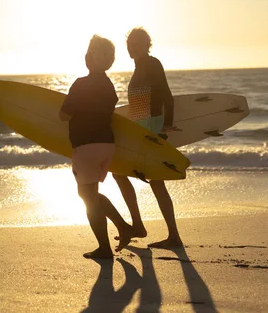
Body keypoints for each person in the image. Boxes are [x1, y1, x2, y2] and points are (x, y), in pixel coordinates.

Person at [59, 35, 134, 259]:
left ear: (88, 58)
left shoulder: (81, 84)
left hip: (85, 145)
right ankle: (123, 227)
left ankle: (105, 248)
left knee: (87, 195)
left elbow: (63, 115)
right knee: (91, 193)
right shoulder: (109, 86)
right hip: (106, 145)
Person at [112, 27, 183, 249]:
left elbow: (167, 96)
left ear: (146, 44)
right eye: (129, 44)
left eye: (136, 43)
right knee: (122, 174)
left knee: (151, 180)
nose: (131, 47)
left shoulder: (152, 64)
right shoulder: (139, 67)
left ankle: (168, 235)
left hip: (151, 127)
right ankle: (141, 227)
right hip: (140, 127)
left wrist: (166, 127)